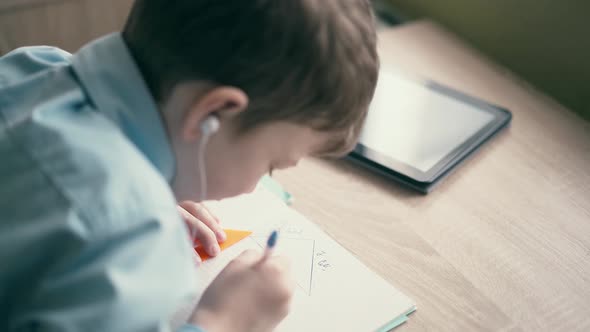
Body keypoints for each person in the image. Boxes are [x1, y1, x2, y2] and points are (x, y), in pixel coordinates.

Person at [0, 0, 378, 331]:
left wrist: (146, 190)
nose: (256, 185)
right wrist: (223, 323)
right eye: (272, 165)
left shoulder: (33, 65)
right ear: (213, 114)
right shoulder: (131, 235)